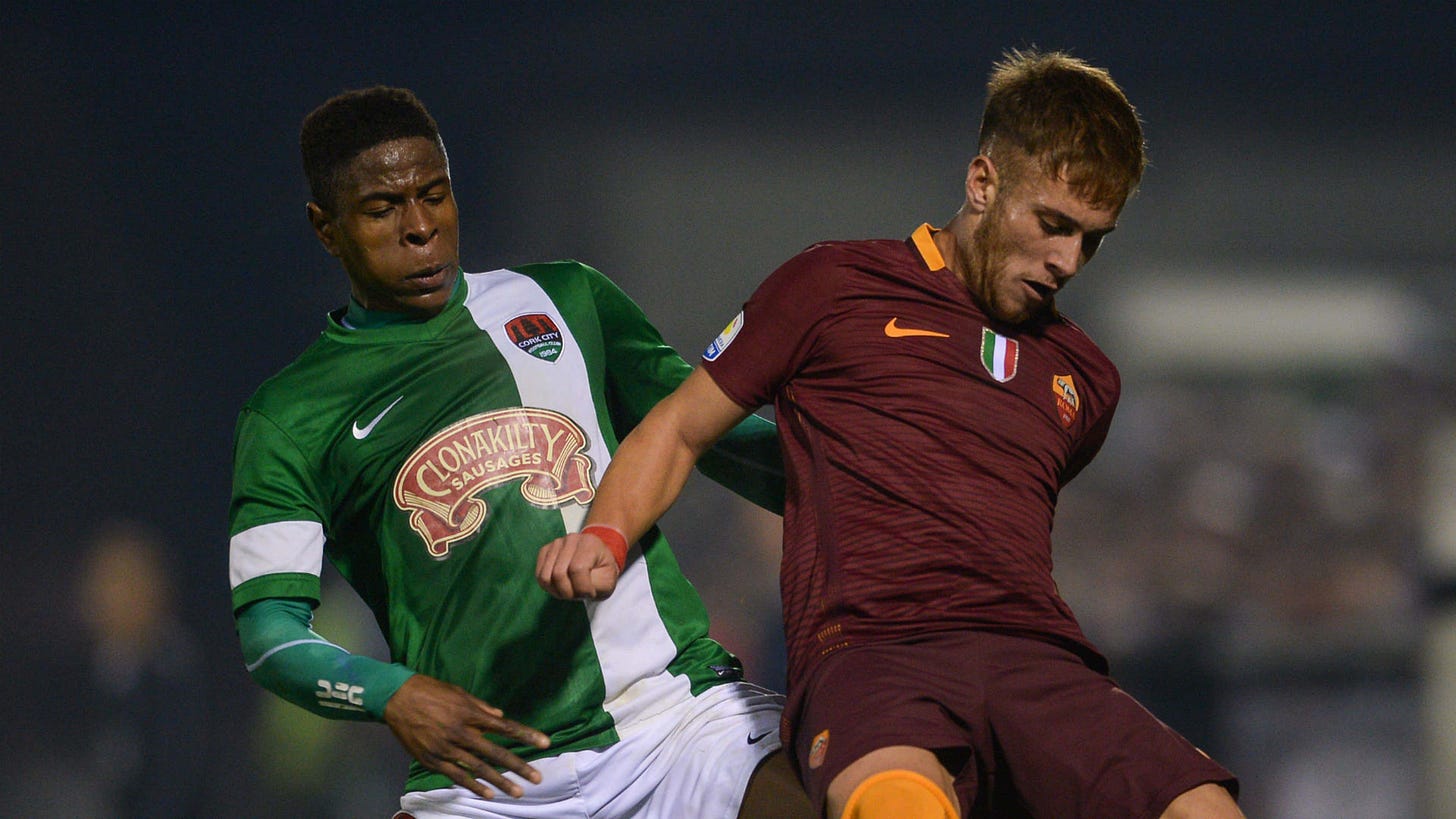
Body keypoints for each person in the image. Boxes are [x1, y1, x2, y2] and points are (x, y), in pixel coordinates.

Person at [536, 50, 1244, 819]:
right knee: (897, 804)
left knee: (1204, 808)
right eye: (1053, 225)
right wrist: (604, 536)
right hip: (874, 655)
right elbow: (677, 429)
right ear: (983, 182)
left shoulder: (1088, 379)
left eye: (1092, 239)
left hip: (1038, 662)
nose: (1067, 260)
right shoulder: (831, 286)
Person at [228, 85, 812, 819]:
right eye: (383, 209)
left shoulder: (566, 300)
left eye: (435, 196)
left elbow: (708, 432)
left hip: (676, 719)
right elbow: (269, 632)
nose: (421, 228)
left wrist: (867, 481)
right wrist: (389, 692)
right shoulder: (288, 414)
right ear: (326, 227)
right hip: (487, 776)